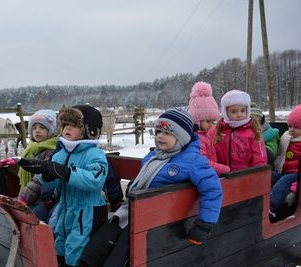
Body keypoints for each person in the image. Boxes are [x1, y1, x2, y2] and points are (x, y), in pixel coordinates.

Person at [79, 108, 223, 267]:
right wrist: (134, 185)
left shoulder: (193, 161)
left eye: (168, 133)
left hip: (156, 219)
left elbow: (212, 189)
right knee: (103, 239)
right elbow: (147, 176)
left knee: (123, 250)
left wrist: (204, 224)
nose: (161, 136)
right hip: (133, 210)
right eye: (158, 131)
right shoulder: (153, 156)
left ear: (182, 137)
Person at [19, 105, 108, 267]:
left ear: (89, 131)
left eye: (74, 126)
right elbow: (54, 181)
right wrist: (46, 173)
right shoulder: (61, 153)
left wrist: (66, 173)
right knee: (60, 240)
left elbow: (95, 180)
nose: (67, 129)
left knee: (77, 245)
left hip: (87, 211)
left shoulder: (95, 155)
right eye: (64, 125)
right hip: (66, 208)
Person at [0, 109, 59, 222]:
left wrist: (23, 198)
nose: (37, 131)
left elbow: (38, 178)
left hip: (44, 198)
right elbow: (28, 168)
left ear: (51, 130)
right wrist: (16, 164)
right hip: (30, 195)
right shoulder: (32, 148)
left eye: (42, 127)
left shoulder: (52, 151)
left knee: (32, 218)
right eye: (34, 128)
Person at [213, 90, 268, 171]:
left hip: (245, 175)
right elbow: (213, 152)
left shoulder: (252, 131)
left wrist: (257, 173)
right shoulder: (220, 130)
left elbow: (259, 155)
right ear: (225, 112)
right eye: (234, 111)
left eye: (242, 111)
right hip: (224, 175)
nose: (239, 115)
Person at [188, 81, 230, 176]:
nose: (211, 125)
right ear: (197, 119)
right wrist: (225, 169)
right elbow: (203, 162)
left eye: (212, 121)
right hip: (205, 175)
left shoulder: (204, 135)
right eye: (208, 121)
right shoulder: (197, 139)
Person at [269, 104, 301, 218]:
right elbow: (279, 154)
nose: (292, 130)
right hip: (283, 171)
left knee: (284, 181)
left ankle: (271, 206)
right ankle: (257, 200)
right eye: (290, 126)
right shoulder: (286, 137)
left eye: (296, 127)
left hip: (296, 176)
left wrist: (296, 186)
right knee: (269, 176)